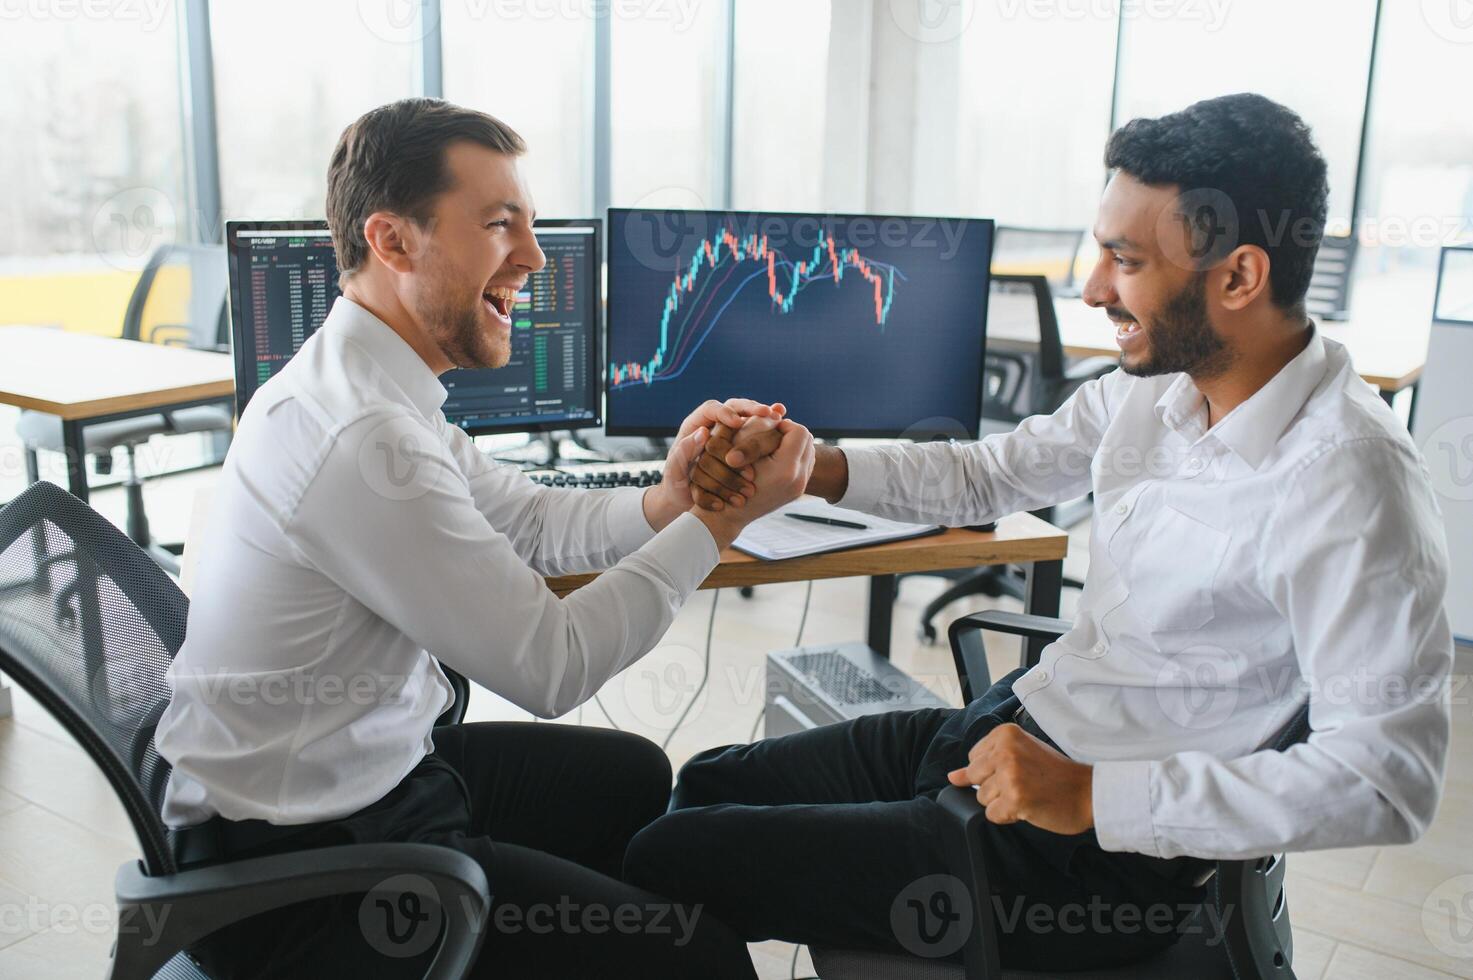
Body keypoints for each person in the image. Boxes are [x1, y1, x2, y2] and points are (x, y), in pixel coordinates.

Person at [629, 93, 1453, 971]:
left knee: (669, 862)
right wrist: (813, 465)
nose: (1092, 288)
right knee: (708, 783)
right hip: (1011, 731)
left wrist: (1099, 795)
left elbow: (1384, 780)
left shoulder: (1348, 480)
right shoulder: (1158, 390)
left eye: (1123, 260)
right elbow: (990, 474)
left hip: (1090, 859)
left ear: (1238, 277)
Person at [154, 97, 813, 978]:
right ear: (393, 242)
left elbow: (529, 517)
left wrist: (668, 501)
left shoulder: (375, 386)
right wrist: (716, 523)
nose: (535, 259)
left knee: (628, 779)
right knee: (702, 960)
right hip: (295, 876)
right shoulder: (360, 435)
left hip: (376, 773)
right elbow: (552, 667)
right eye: (501, 227)